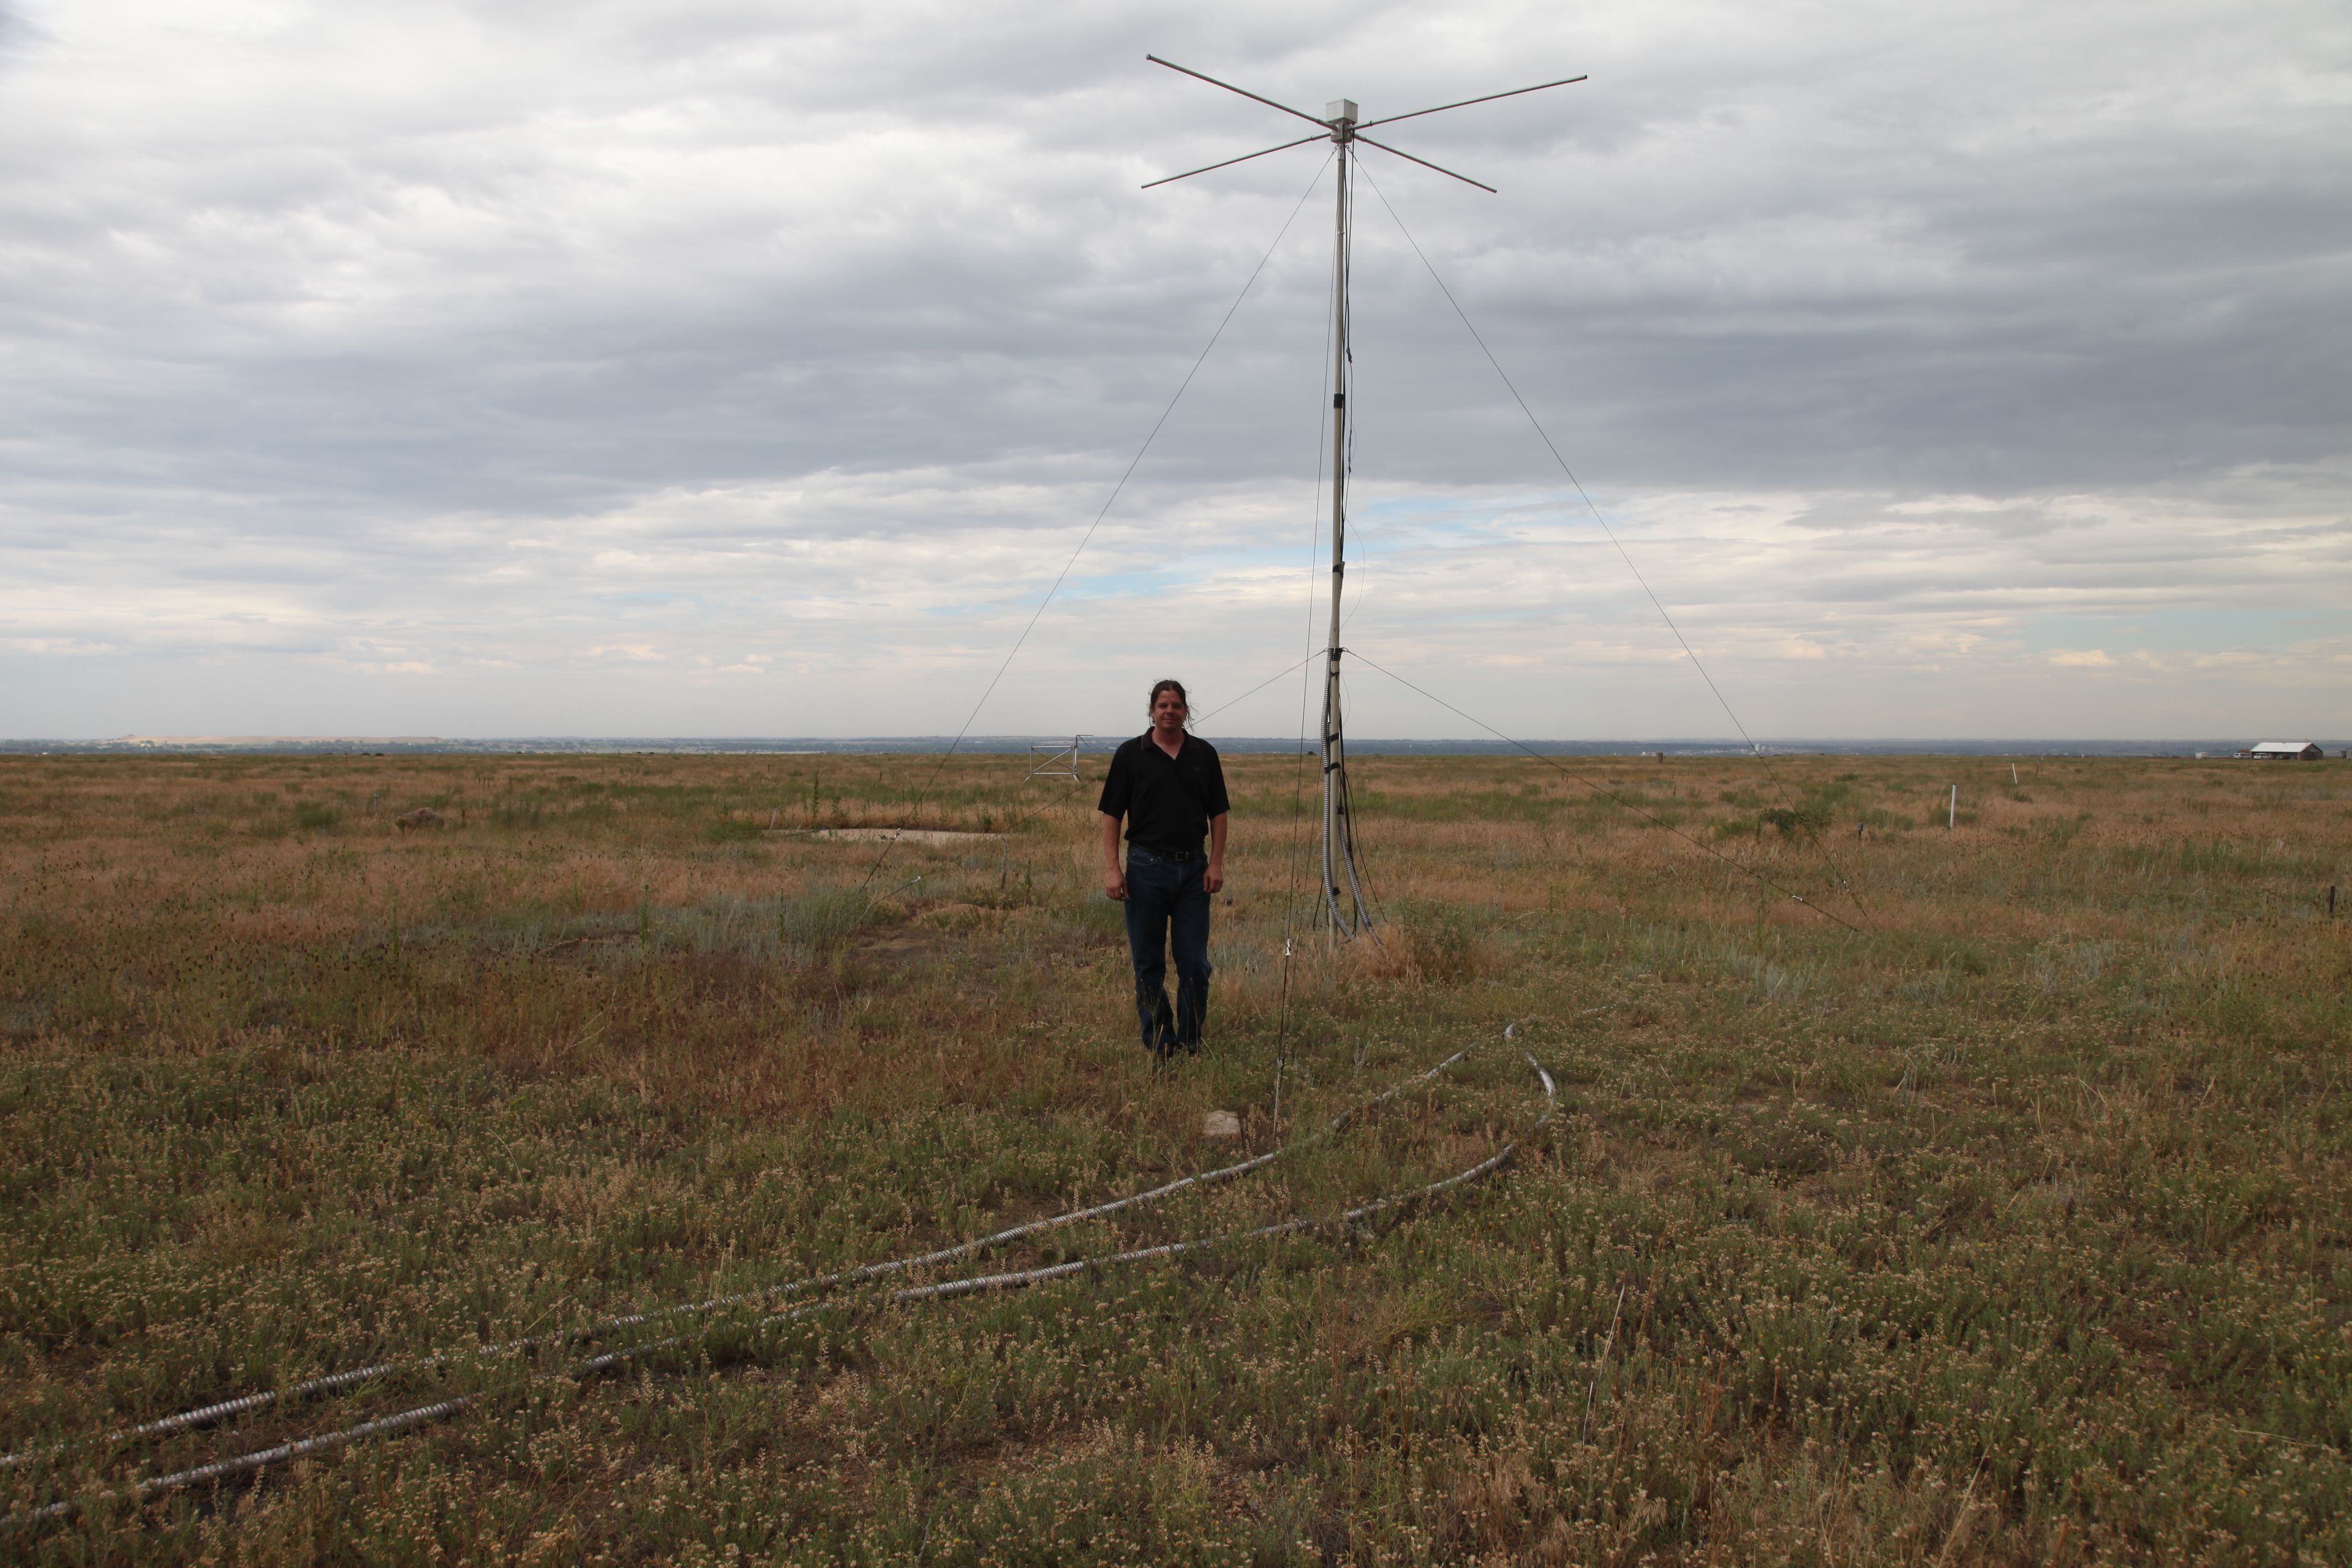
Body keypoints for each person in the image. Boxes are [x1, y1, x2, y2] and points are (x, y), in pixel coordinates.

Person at [1098, 678, 1230, 1060]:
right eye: (1162, 705)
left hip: (1193, 872)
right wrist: (1112, 869)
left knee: (1194, 963)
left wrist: (1216, 863)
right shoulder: (1130, 755)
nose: (1169, 711)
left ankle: (1190, 1042)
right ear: (1152, 711)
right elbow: (1111, 815)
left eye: (1176, 705)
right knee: (1148, 962)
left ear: (1186, 712)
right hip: (1144, 870)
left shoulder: (1203, 754)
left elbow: (1218, 814)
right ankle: (1160, 1041)